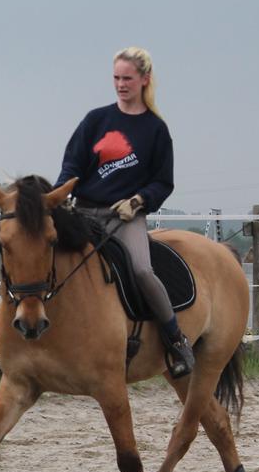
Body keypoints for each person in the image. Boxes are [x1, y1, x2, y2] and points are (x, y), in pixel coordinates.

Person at [55, 46, 195, 378]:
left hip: (124, 218)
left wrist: (138, 201)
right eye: (116, 78)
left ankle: (175, 339)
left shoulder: (155, 130)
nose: (121, 84)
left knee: (143, 271)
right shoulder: (96, 120)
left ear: (144, 80)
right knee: (43, 258)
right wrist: (61, 194)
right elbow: (72, 164)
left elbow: (163, 182)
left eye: (127, 78)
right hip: (85, 212)